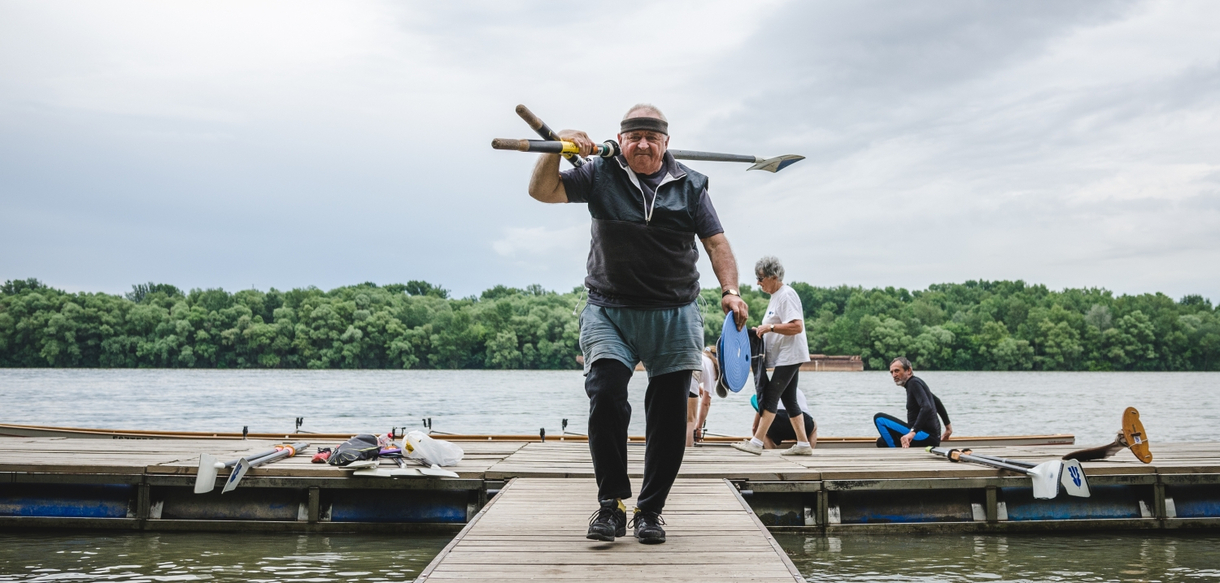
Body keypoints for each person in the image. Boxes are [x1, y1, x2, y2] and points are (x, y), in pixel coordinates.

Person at [527, 104, 749, 545]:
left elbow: (717, 242)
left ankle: (650, 511)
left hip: (674, 311)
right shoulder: (597, 173)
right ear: (621, 139)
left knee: (668, 414)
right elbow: (542, 191)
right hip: (609, 308)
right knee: (606, 394)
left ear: (666, 142)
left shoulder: (691, 185)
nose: (643, 143)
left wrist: (731, 290)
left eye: (652, 136)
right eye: (635, 136)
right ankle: (611, 505)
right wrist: (558, 145)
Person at [731, 256, 813, 456]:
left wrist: (770, 327)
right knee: (789, 399)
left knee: (770, 396)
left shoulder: (786, 295)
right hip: (787, 356)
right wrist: (762, 330)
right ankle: (803, 444)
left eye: (760, 278)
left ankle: (756, 442)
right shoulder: (776, 297)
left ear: (773, 277)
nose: (758, 283)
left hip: (790, 355)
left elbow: (797, 326)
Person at [874, 356, 954, 448]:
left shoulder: (913, 383)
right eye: (891, 372)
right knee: (881, 442)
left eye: (897, 371)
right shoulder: (916, 383)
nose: (894, 375)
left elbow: (927, 407)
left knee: (879, 418)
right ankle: (897, 445)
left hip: (924, 436)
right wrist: (948, 428)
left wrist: (912, 432)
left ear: (908, 370)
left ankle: (895, 450)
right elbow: (937, 401)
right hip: (930, 437)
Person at [749, 392, 817, 449]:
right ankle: (808, 450)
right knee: (814, 427)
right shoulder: (798, 391)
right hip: (801, 421)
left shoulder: (767, 392)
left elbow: (754, 427)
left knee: (764, 429)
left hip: (776, 421)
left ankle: (772, 454)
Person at [687, 348, 718, 447]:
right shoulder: (713, 365)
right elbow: (706, 402)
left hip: (671, 374)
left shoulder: (701, 355)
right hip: (689, 381)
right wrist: (699, 428)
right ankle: (688, 453)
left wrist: (698, 386)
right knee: (690, 421)